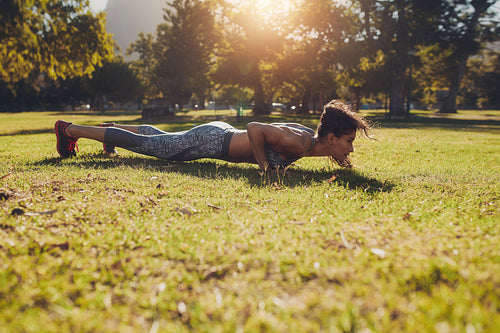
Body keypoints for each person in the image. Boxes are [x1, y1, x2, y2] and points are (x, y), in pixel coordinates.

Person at [55, 100, 371, 171]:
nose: (350, 149)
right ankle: (69, 130)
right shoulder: (300, 142)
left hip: (217, 135)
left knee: (159, 136)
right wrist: (264, 167)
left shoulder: (305, 142)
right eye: (349, 141)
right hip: (212, 141)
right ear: (331, 137)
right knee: (154, 147)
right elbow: (255, 128)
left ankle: (111, 132)